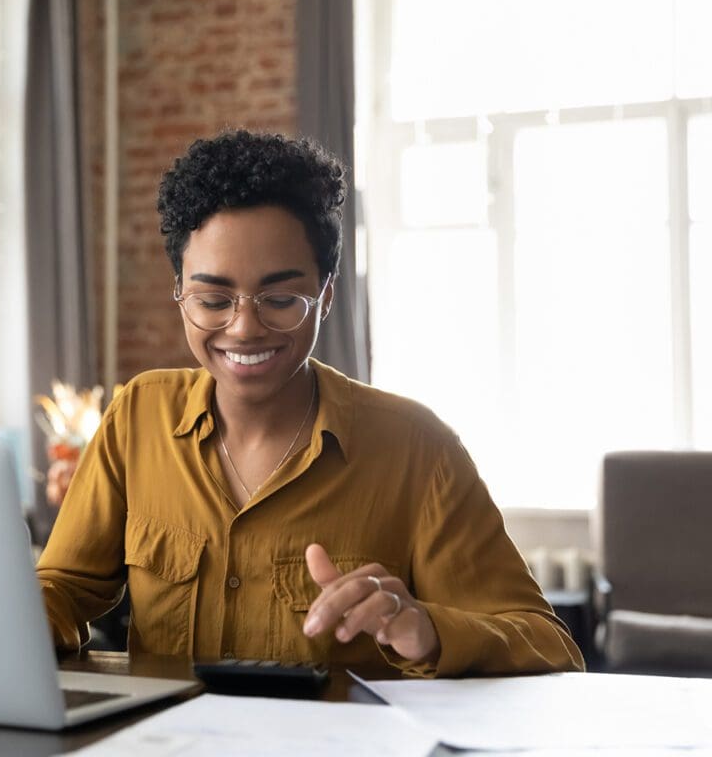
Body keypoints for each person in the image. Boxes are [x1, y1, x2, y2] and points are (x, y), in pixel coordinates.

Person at [36, 130, 584, 678]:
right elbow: (62, 587)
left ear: (326, 295)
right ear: (179, 292)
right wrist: (19, 615)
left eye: (280, 299)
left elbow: (550, 646)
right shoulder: (138, 417)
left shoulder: (418, 450)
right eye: (212, 299)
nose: (244, 328)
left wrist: (427, 629)